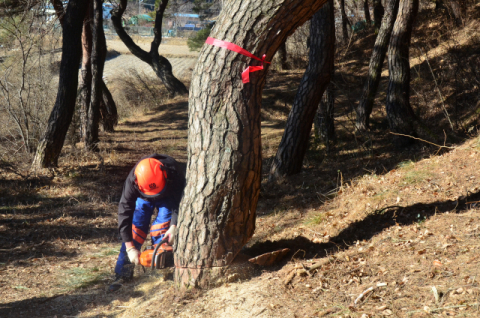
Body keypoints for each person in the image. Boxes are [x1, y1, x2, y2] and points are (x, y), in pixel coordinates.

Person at [109, 154, 185, 292]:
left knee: (161, 230)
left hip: (168, 197)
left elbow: (180, 202)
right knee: (136, 230)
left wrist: (174, 225)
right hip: (143, 196)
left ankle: (164, 271)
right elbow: (124, 213)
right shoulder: (133, 180)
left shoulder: (175, 171)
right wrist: (130, 247)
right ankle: (122, 274)